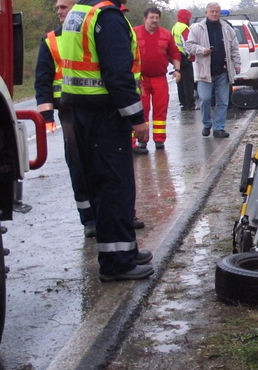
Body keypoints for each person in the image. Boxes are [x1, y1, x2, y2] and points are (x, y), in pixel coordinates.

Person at [61, 0, 153, 281]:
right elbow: (117, 74)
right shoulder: (107, 17)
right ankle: (117, 263)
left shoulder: (79, 12)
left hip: (82, 112)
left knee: (105, 186)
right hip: (105, 115)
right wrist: (137, 118)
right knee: (115, 188)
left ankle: (125, 251)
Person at [34, 0, 101, 237]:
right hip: (69, 111)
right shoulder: (51, 40)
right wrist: (46, 114)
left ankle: (111, 214)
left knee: (104, 162)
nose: (59, 12)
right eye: (57, 8)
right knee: (78, 163)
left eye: (64, 7)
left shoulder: (95, 31)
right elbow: (42, 80)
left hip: (97, 107)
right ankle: (88, 218)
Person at [185, 2, 241, 138]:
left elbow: (234, 48)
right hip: (205, 71)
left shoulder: (227, 28)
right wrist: (202, 50)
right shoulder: (197, 29)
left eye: (217, 11)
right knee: (204, 99)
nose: (215, 14)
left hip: (222, 70)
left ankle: (219, 128)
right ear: (206, 13)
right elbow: (189, 46)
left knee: (223, 101)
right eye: (212, 11)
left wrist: (237, 63)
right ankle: (207, 124)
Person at [132, 7, 182, 154]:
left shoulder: (166, 34)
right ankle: (142, 140)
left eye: (156, 18)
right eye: (151, 17)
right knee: (142, 111)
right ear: (144, 19)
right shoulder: (134, 33)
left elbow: (174, 53)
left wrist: (177, 70)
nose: (154, 20)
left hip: (160, 78)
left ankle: (159, 140)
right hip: (141, 79)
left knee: (161, 110)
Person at [172, 9, 196, 111]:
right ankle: (190, 104)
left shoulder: (175, 27)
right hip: (185, 57)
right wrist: (192, 56)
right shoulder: (184, 28)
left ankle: (183, 103)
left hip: (177, 57)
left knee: (180, 82)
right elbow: (188, 43)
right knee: (188, 82)